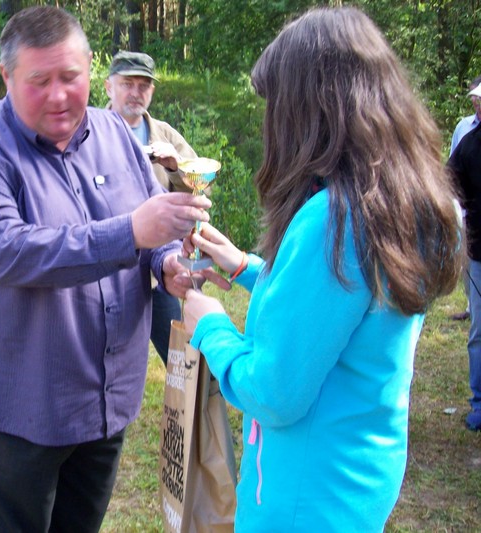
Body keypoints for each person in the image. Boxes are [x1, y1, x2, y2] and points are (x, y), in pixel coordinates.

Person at [174, 7, 463, 531]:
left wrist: (210, 327)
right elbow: (340, 314)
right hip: (358, 479)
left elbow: (273, 392)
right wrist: (244, 266)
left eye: (277, 107)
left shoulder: (334, 220)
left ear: (311, 110)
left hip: (303, 500)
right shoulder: (399, 200)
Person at [0, 6, 209, 532]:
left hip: (105, 398)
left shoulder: (116, 136)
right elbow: (10, 251)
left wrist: (167, 263)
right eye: (39, 81)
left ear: (91, 70)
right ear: (7, 76)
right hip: (20, 404)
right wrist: (133, 231)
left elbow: (148, 230)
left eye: (70, 77)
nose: (59, 95)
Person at [104, 50, 197, 366]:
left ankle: (187, 414)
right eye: (127, 83)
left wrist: (175, 166)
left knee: (179, 359)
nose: (135, 92)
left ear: (152, 91)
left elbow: (200, 185)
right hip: (106, 272)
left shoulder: (166, 134)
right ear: (108, 87)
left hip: (160, 268)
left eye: (143, 85)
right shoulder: (88, 133)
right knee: (103, 361)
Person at [447, 86, 481, 432]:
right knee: (480, 330)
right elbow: (448, 185)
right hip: (478, 249)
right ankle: (479, 401)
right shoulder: (469, 144)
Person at [449, 74, 481, 320]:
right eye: (476, 100)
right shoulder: (468, 139)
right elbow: (450, 179)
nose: (477, 105)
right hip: (476, 238)